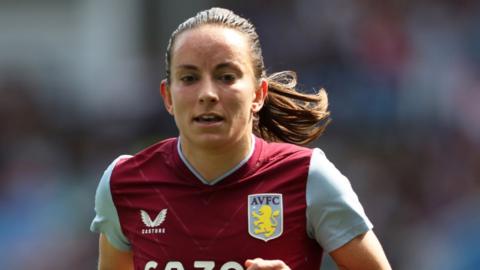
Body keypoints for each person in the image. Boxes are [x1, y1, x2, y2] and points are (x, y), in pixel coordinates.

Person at [90, 7, 391, 270]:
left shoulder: (310, 179)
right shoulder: (124, 183)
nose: (207, 94)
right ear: (168, 97)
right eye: (189, 78)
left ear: (258, 94)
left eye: (226, 77)